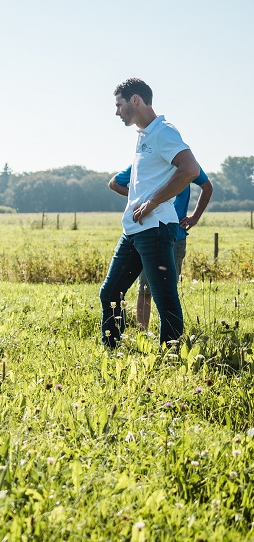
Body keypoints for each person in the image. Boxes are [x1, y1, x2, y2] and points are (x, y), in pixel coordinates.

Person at [99, 78, 201, 348]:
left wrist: (153, 202)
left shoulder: (163, 132)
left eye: (119, 105)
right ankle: (112, 353)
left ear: (135, 100)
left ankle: (169, 358)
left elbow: (189, 170)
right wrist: (140, 202)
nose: (116, 111)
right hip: (133, 230)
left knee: (164, 298)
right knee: (110, 293)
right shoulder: (144, 136)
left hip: (155, 230)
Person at [109, 163, 213, 331]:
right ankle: (143, 333)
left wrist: (195, 217)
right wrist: (139, 198)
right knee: (145, 288)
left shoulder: (185, 164)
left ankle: (169, 341)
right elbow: (114, 183)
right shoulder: (147, 162)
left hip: (176, 235)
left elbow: (207, 187)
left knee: (168, 291)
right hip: (149, 232)